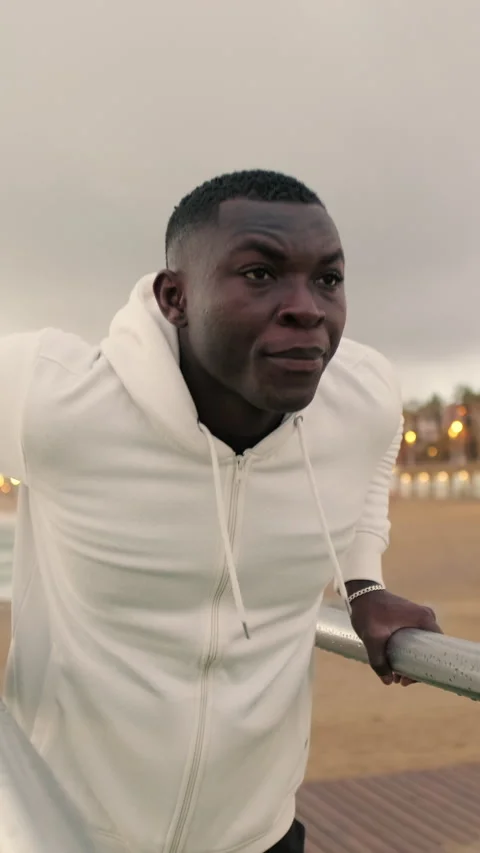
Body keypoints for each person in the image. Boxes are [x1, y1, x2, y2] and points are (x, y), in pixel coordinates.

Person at [0, 170, 441, 853]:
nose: (307, 308)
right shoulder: (57, 397)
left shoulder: (361, 394)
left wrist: (364, 579)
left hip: (258, 836)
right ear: (175, 296)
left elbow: (377, 454)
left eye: (328, 279)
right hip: (68, 836)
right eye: (260, 274)